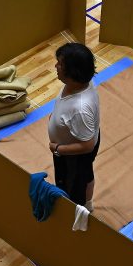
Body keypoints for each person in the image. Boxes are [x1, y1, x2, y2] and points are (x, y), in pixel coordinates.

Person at [48, 43, 100, 208]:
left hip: (74, 154)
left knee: (75, 185)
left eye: (60, 64)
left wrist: (58, 149)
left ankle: (81, 208)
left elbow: (87, 145)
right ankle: (87, 202)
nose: (56, 66)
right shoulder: (78, 85)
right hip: (75, 142)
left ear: (73, 72)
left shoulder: (80, 109)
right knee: (86, 172)